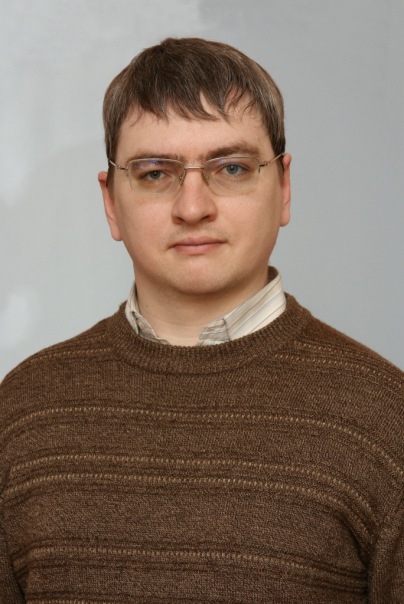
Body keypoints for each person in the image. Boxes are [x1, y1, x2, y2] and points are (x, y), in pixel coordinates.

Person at [0, 37, 402, 603]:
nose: (193, 207)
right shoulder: (22, 412)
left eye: (232, 168)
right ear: (111, 203)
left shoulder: (385, 419)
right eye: (155, 173)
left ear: (284, 188)